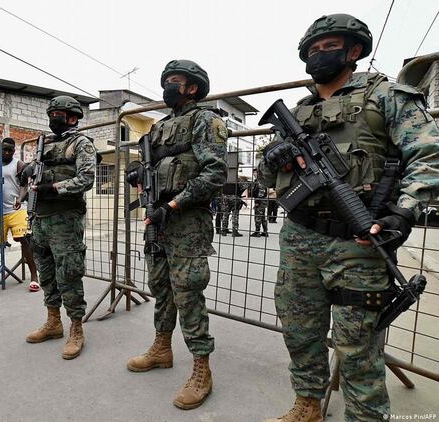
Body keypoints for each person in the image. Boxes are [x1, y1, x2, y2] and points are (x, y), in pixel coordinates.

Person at [259, 14, 439, 422]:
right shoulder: (298, 112)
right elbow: (268, 179)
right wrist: (272, 159)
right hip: (299, 237)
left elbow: (428, 155)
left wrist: (404, 213)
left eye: (330, 47)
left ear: (354, 51)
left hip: (358, 241)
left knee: (357, 346)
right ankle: (308, 403)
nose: (319, 55)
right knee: (299, 330)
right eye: (313, 50)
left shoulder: (386, 96)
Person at [123, 60, 227, 410]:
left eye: (175, 80)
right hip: (157, 219)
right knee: (160, 287)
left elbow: (214, 174)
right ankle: (162, 348)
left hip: (186, 221)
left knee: (187, 293)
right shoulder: (159, 128)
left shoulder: (206, 120)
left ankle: (201, 369)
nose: (168, 86)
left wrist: (172, 205)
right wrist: (136, 172)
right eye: (166, 80)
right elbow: (151, 165)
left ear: (192, 87)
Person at [23, 95, 96, 359]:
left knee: (69, 274)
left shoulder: (81, 143)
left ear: (73, 118)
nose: (54, 119)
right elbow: (36, 173)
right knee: (46, 274)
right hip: (40, 218)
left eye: (58, 115)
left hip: (65, 220)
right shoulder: (46, 144)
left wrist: (54, 188)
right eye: (51, 115)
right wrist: (28, 171)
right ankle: (53, 321)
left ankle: (76, 328)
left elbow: (87, 178)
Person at [0, 137, 39, 291]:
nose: (7, 153)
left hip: (16, 209)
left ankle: (34, 276)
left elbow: (25, 186)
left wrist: (20, 199)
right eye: (4, 149)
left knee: (23, 239)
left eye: (10, 150)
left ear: (14, 151)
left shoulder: (19, 165)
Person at [249, 169, 268, 237]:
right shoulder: (258, 180)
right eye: (254, 172)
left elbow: (261, 192)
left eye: (256, 172)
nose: (255, 174)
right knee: (262, 217)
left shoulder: (260, 180)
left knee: (258, 216)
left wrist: (257, 202)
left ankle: (257, 232)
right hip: (261, 200)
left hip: (260, 201)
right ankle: (265, 231)